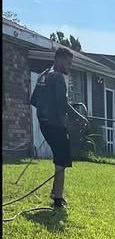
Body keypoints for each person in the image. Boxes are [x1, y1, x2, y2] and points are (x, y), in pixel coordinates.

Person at [30, 45, 85, 210]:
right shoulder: (58, 78)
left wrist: (47, 112)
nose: (70, 66)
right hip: (55, 125)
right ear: (59, 60)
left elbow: (33, 100)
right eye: (68, 63)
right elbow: (63, 104)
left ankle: (55, 192)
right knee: (62, 160)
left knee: (60, 159)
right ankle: (58, 200)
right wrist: (79, 117)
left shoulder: (43, 75)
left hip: (44, 123)